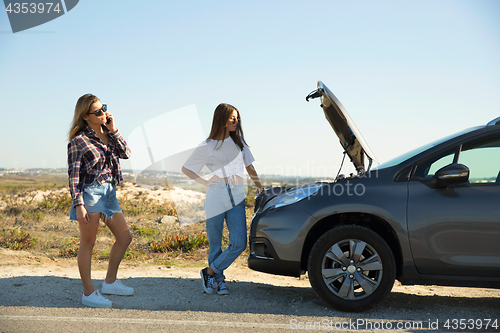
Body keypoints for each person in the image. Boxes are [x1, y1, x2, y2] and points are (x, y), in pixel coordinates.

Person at [182, 103, 264, 295]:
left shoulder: (239, 143)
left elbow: (250, 167)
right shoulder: (207, 145)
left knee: (239, 243)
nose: (236, 122)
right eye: (232, 118)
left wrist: (259, 186)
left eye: (237, 119)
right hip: (216, 193)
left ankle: (209, 272)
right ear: (222, 119)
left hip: (236, 194)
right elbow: (187, 168)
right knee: (215, 242)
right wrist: (205, 182)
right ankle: (218, 281)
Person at [68, 94, 134, 308]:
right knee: (88, 243)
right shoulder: (79, 141)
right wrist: (79, 205)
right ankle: (88, 293)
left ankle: (110, 282)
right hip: (90, 194)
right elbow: (74, 177)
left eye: (103, 108)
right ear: (85, 117)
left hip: (109, 193)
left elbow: (126, 153)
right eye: (97, 111)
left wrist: (113, 129)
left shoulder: (109, 134)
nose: (103, 113)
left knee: (125, 237)